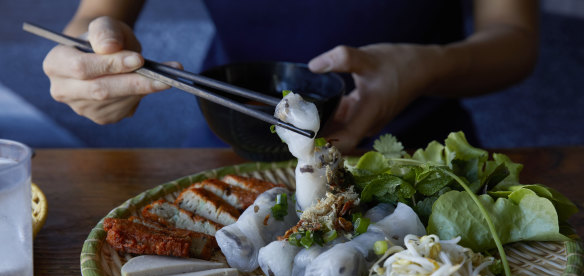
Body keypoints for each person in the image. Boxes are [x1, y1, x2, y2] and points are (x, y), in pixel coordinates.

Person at [42, 0, 538, 152]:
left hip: (422, 149)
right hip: (231, 138)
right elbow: (94, 20)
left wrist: (428, 65)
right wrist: (90, 59)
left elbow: (514, 38)